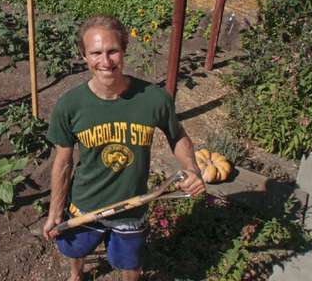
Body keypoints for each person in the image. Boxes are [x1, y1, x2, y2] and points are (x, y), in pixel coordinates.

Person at [42, 15, 206, 281]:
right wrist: (55, 212)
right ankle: (77, 275)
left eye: (112, 51)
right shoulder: (70, 106)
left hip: (132, 208)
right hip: (85, 204)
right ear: (84, 55)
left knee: (129, 263)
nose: (105, 62)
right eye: (96, 53)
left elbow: (178, 137)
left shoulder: (154, 99)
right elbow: (63, 162)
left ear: (124, 50)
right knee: (75, 249)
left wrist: (191, 168)